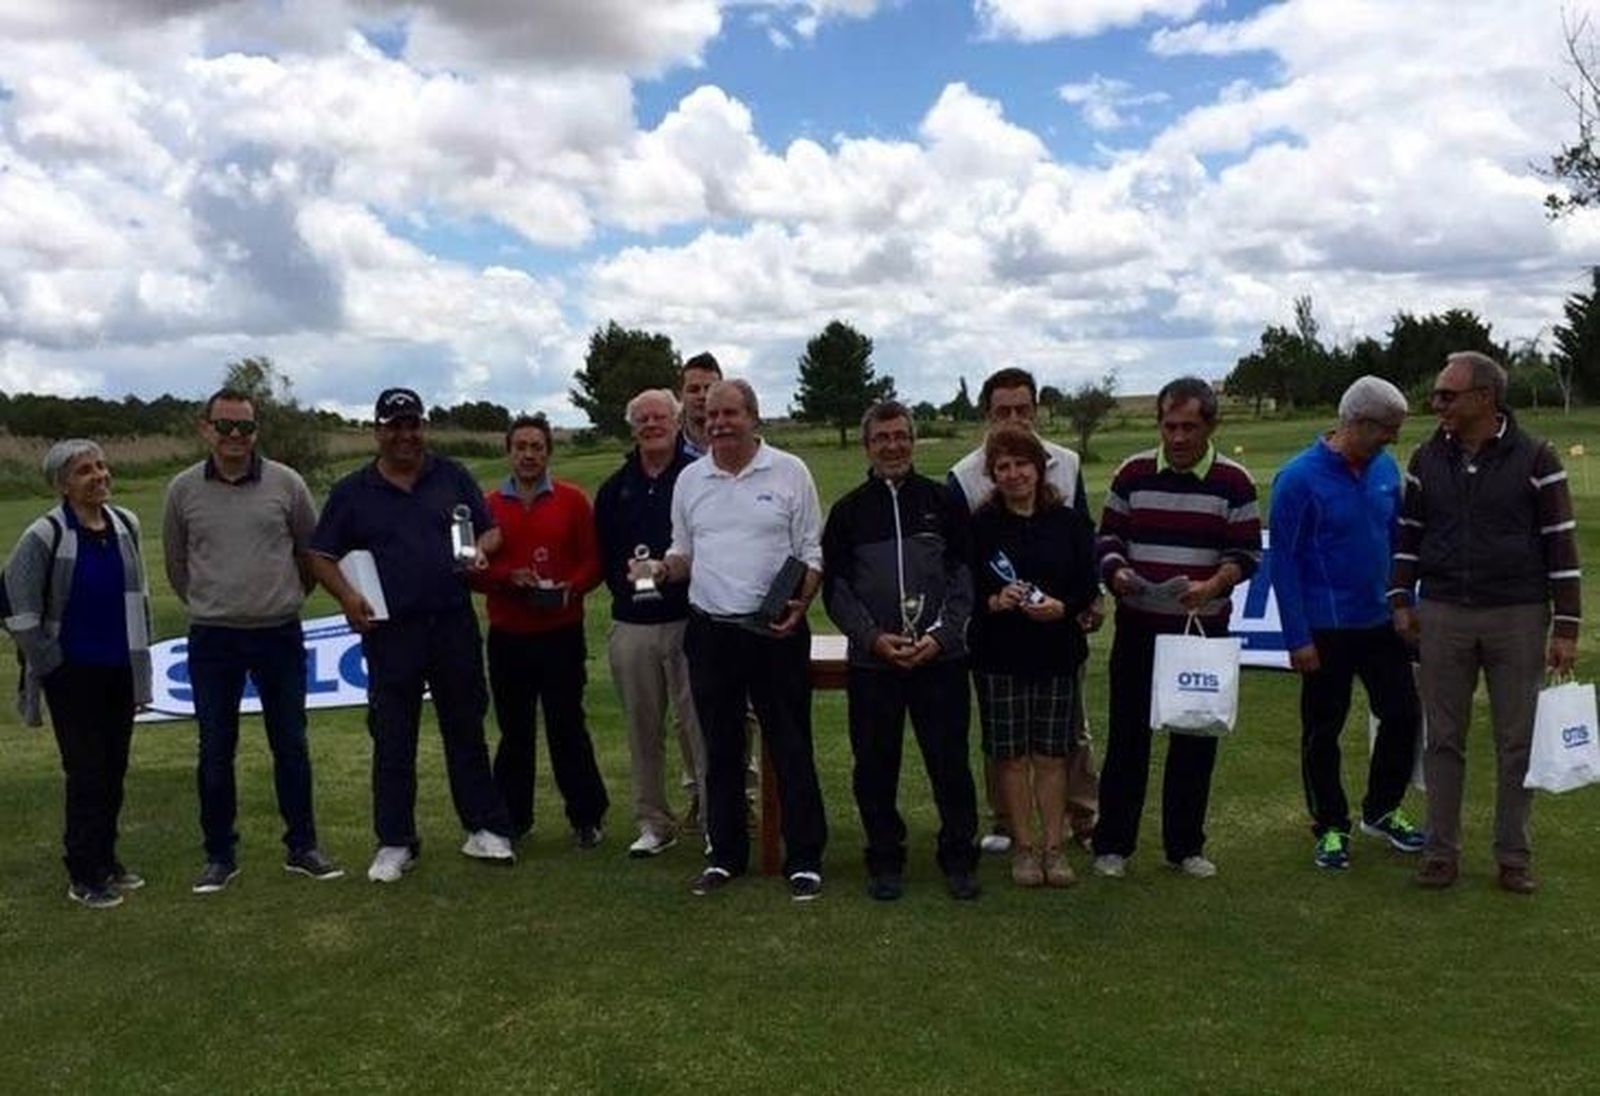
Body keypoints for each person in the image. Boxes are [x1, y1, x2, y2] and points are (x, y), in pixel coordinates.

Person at [1390, 351, 1581, 894]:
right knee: (1442, 739)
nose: (1437, 403)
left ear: (1485, 398)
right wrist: (1401, 597)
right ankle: (1439, 852)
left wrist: (1566, 626)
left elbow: (1561, 545)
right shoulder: (1426, 458)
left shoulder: (1538, 458)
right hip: (1443, 613)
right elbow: (1408, 536)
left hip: (1518, 616)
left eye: (1448, 395)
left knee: (1516, 742)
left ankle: (1513, 856)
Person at [308, 387, 515, 883]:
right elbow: (319, 555)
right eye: (394, 425)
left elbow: (489, 531)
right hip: (390, 631)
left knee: (465, 728)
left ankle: (483, 827)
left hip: (451, 622)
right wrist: (346, 598)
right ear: (378, 431)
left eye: (413, 424)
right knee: (393, 735)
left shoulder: (452, 476)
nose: (405, 435)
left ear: (423, 427)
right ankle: (396, 841)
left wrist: (480, 552)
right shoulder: (353, 491)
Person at [648, 378, 828, 900]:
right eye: (708, 417)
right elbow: (683, 552)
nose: (719, 424)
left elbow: (810, 553)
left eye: (730, 414)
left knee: (791, 745)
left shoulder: (790, 472)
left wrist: (801, 603)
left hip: (774, 631)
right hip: (710, 632)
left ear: (753, 417)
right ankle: (724, 855)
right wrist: (661, 568)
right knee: (719, 750)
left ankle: (805, 857)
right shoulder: (691, 480)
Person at [163, 388, 343, 894]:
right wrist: (213, 602)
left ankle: (302, 846)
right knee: (215, 750)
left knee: (291, 744)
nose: (235, 437)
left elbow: (310, 554)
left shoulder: (287, 483)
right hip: (213, 637)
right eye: (225, 426)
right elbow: (179, 564)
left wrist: (283, 598)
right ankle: (220, 855)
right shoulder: (182, 490)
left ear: (256, 431)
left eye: (244, 427)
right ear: (206, 429)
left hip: (278, 634)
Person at [1093, 377, 1261, 879]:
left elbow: (1245, 554)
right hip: (1140, 625)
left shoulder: (1234, 481)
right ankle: (1113, 845)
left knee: (1194, 737)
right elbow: (1107, 539)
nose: (1179, 437)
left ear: (1211, 425)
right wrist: (1117, 572)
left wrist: (1214, 585)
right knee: (1128, 741)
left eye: (1190, 426)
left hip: (1200, 631)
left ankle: (1185, 845)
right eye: (1170, 426)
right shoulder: (1133, 472)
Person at [822, 400, 980, 901]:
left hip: (941, 659)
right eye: (881, 438)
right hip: (875, 663)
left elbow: (965, 576)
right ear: (868, 446)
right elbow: (837, 590)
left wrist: (940, 635)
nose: (893, 445)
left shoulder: (944, 502)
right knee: (874, 764)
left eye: (901, 436)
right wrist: (872, 638)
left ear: (913, 440)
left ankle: (958, 856)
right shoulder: (848, 512)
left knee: (949, 762)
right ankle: (884, 857)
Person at [1269, 377, 1423, 872]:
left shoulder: (1384, 469)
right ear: (1356, 422)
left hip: (1382, 623)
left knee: (1402, 714)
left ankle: (1380, 809)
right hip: (1324, 630)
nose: (1393, 439)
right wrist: (1297, 637)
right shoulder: (1297, 478)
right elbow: (1284, 563)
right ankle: (1330, 825)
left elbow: (1399, 542)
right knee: (1323, 731)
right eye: (1387, 429)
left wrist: (1407, 604)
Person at [947, 367, 1101, 855]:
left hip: (1056, 627)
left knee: (1069, 729)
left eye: (1022, 409)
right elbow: (962, 560)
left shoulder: (1067, 461)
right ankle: (1006, 821)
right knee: (1003, 733)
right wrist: (990, 603)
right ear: (987, 415)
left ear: (1037, 410)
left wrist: (1085, 600)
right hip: (997, 634)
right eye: (1002, 411)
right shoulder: (963, 474)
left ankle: (1083, 815)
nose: (1014, 418)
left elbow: (1082, 539)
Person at [3, 440, 152, 909]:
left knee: (114, 769)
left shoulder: (125, 523)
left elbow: (139, 598)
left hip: (119, 668)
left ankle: (107, 858)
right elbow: (15, 605)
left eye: (101, 466)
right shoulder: (45, 534)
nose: (99, 476)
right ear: (63, 484)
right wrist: (49, 661)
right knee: (86, 772)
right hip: (73, 674)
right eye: (85, 471)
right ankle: (83, 872)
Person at [475, 414, 609, 847]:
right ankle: (512, 817)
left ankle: (586, 816)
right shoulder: (488, 505)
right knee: (515, 730)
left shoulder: (571, 501)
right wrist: (506, 577)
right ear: (509, 451)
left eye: (537, 447)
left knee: (567, 725)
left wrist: (574, 587)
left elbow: (593, 560)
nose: (529, 454)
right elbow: (471, 570)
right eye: (521, 447)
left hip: (560, 632)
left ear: (548, 451)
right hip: (509, 634)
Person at [594, 390, 705, 858]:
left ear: (678, 420)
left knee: (699, 724)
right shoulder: (615, 486)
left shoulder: (700, 477)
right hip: (634, 624)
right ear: (632, 427)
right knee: (643, 727)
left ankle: (716, 817)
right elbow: (603, 555)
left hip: (692, 619)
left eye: (660, 416)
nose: (651, 424)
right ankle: (653, 821)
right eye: (642, 419)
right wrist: (630, 585)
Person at [678, 352, 721, 460]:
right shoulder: (666, 453)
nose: (703, 396)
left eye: (709, 389)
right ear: (680, 396)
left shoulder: (740, 449)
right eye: (693, 390)